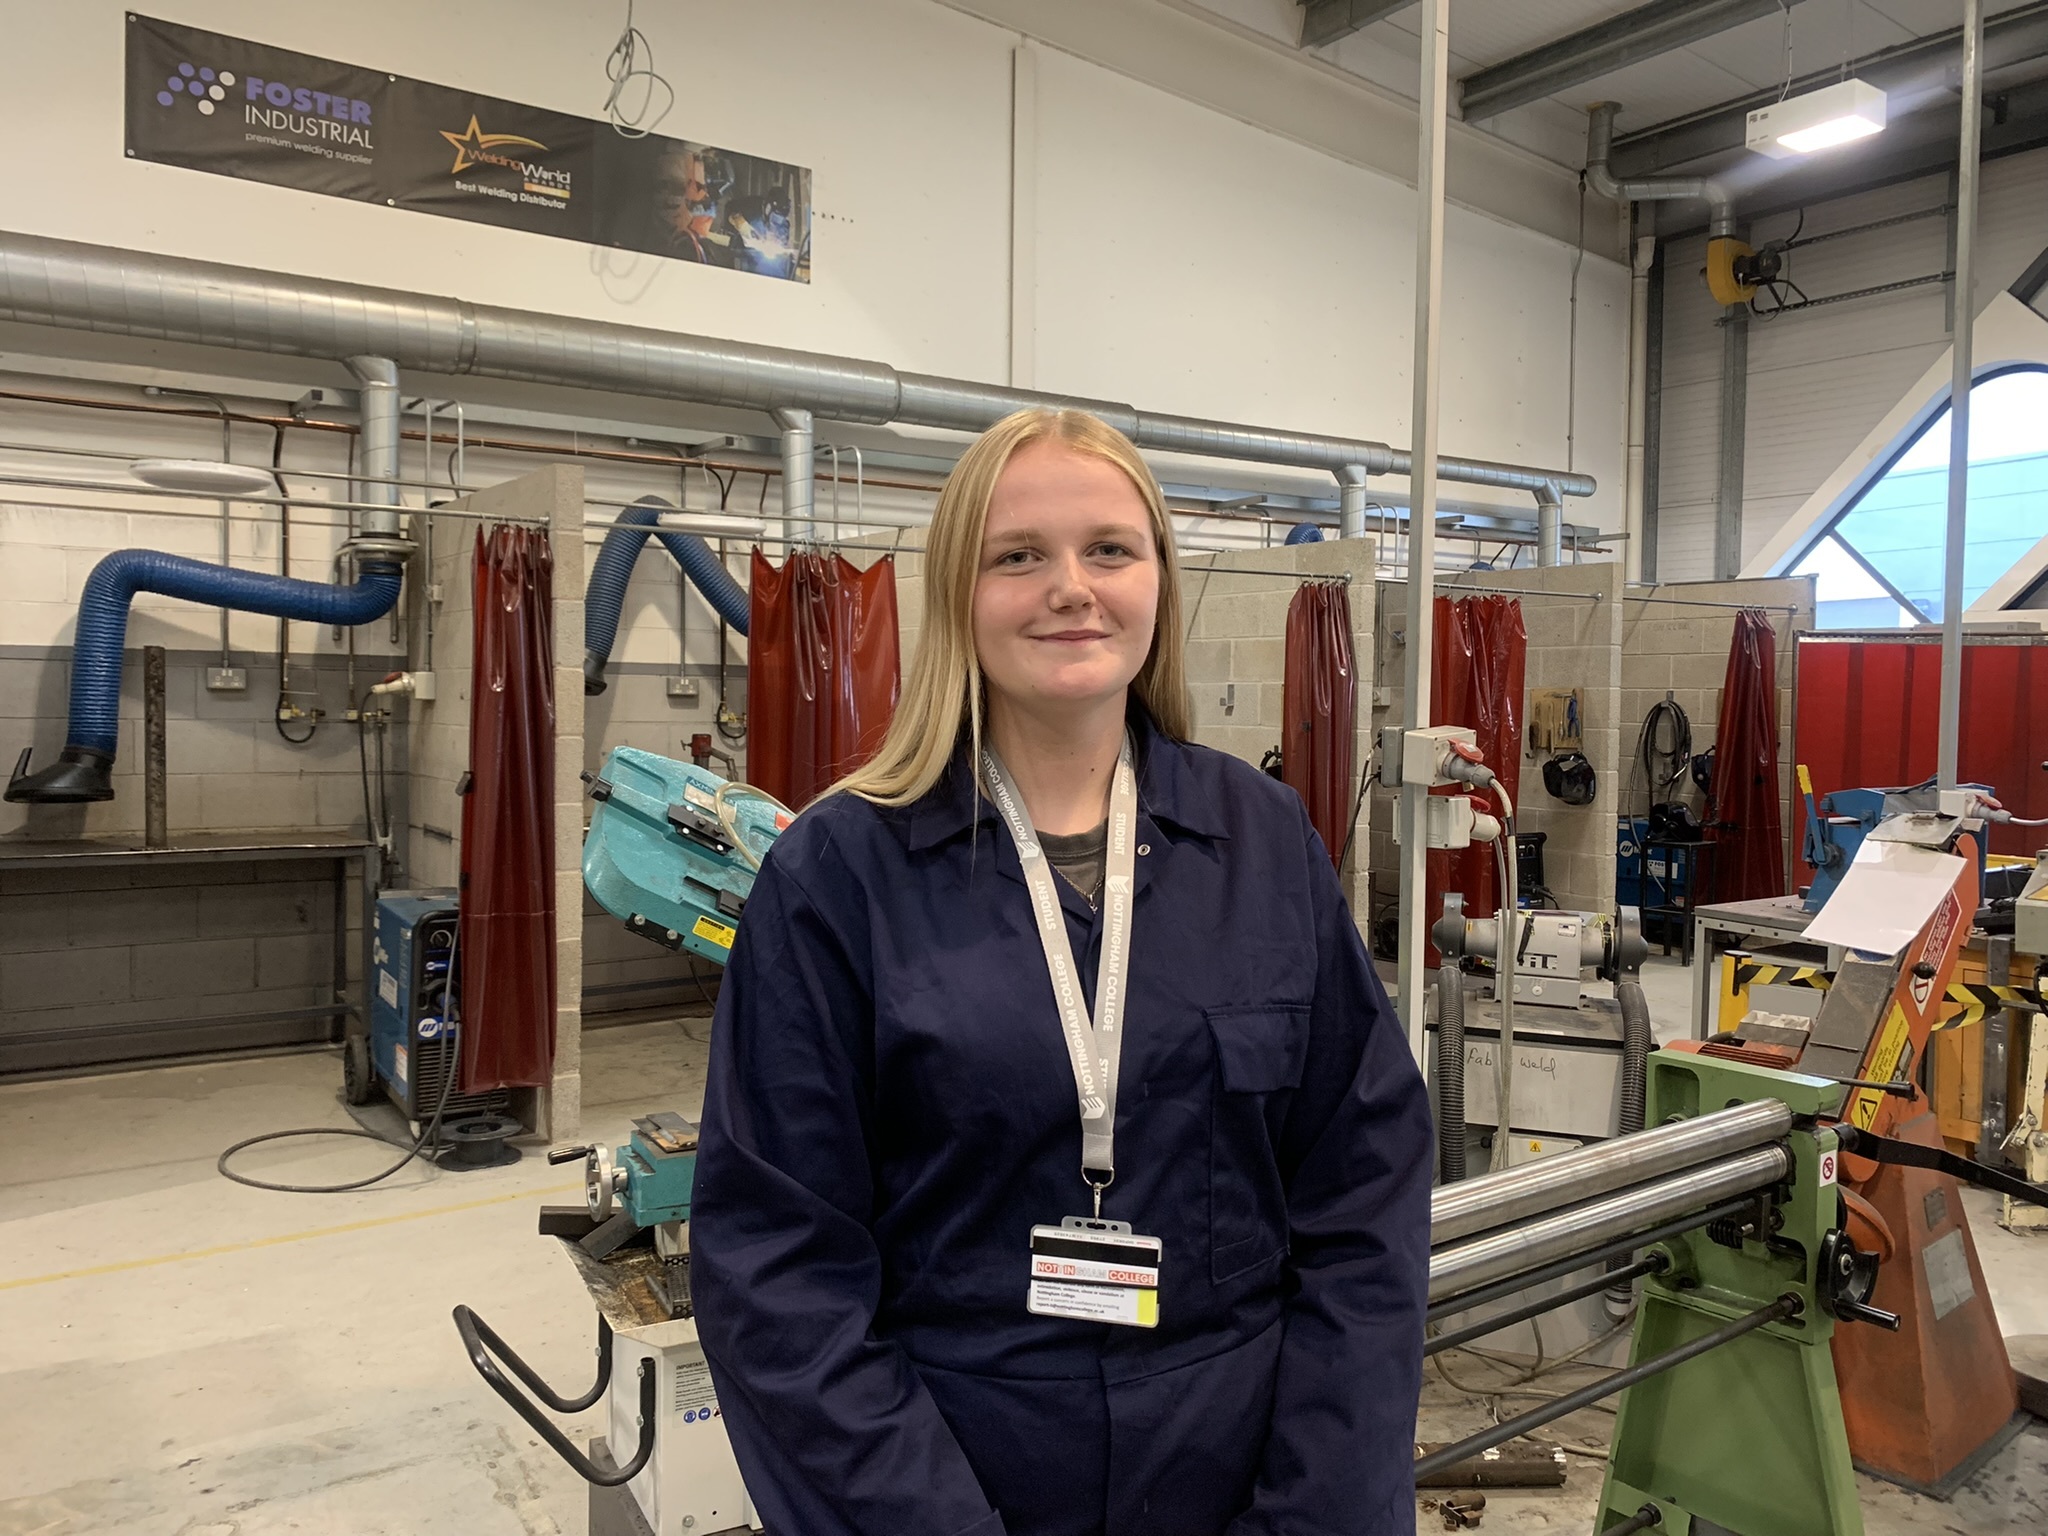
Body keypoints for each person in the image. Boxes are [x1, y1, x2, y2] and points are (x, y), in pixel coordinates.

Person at [692, 408, 1433, 1536]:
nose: (1070, 588)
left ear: (1158, 584)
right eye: (1017, 555)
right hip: (945, 1468)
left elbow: (1363, 1207)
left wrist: (1311, 1513)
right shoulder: (836, 877)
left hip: (1244, 1472)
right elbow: (778, 1274)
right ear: (956, 594)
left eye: (1109, 550)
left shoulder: (1264, 841)